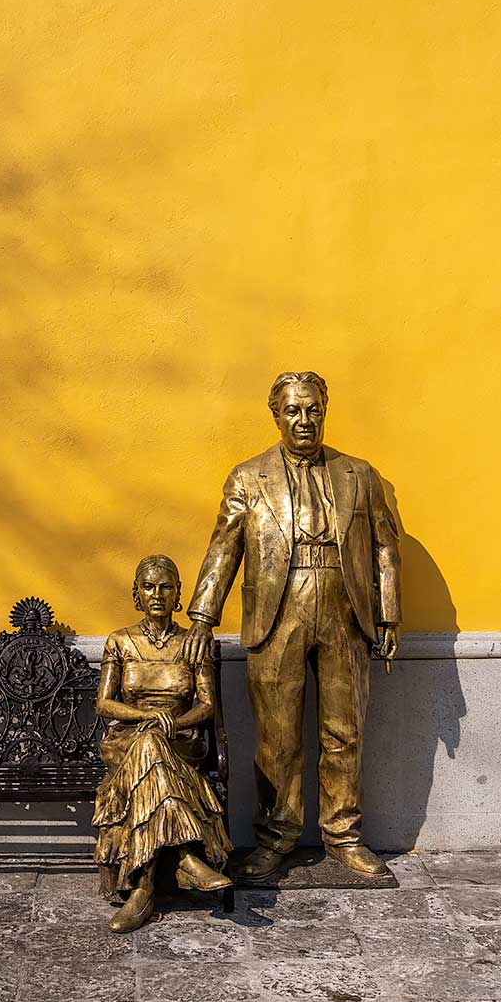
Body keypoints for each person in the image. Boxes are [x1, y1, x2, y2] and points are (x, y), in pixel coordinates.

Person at [182, 371, 401, 882]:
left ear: (325, 410)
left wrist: (389, 614)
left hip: (345, 608)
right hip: (276, 611)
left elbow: (386, 545)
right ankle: (275, 836)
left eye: (313, 410)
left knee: (345, 730)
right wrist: (201, 616)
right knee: (277, 737)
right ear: (276, 415)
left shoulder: (359, 475)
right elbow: (224, 547)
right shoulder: (247, 477)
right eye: (293, 411)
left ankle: (344, 835)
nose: (304, 420)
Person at [93, 554, 232, 933]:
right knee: (149, 743)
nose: (157, 594)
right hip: (127, 739)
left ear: (179, 595)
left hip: (180, 740)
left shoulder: (193, 642)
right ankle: (186, 856)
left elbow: (206, 706)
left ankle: (143, 890)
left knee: (154, 746)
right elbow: (104, 703)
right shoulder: (120, 641)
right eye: (149, 586)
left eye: (166, 587)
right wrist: (146, 719)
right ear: (136, 594)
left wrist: (173, 723)